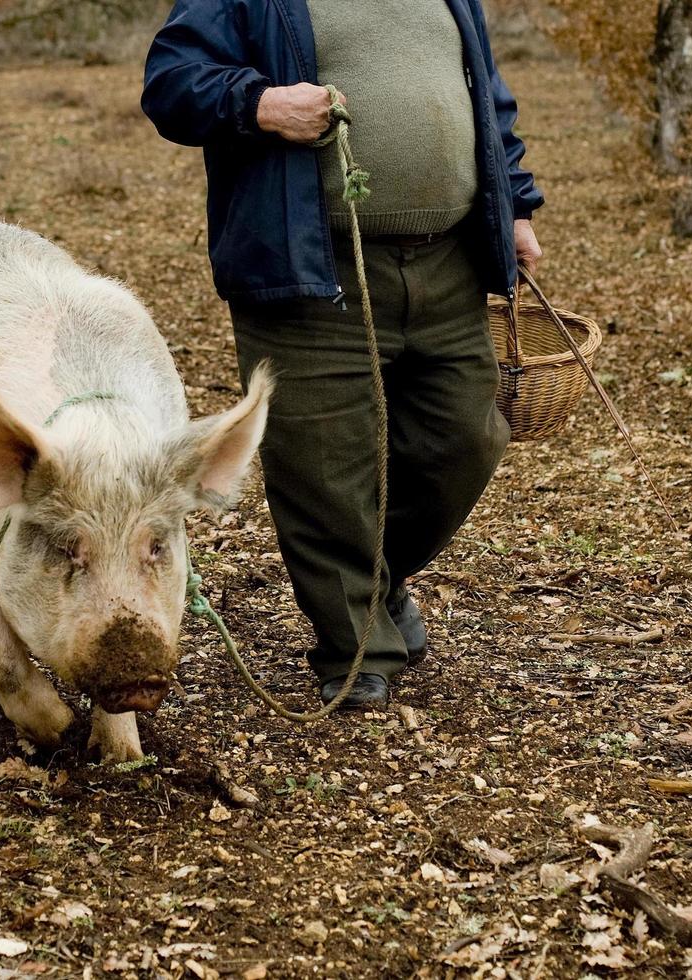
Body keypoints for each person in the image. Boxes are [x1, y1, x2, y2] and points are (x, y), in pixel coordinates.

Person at [141, 0, 544, 709]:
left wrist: (513, 204)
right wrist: (261, 104)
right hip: (310, 263)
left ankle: (374, 582)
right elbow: (172, 82)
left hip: (447, 261)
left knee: (466, 437)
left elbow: (485, 93)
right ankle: (356, 647)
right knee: (324, 467)